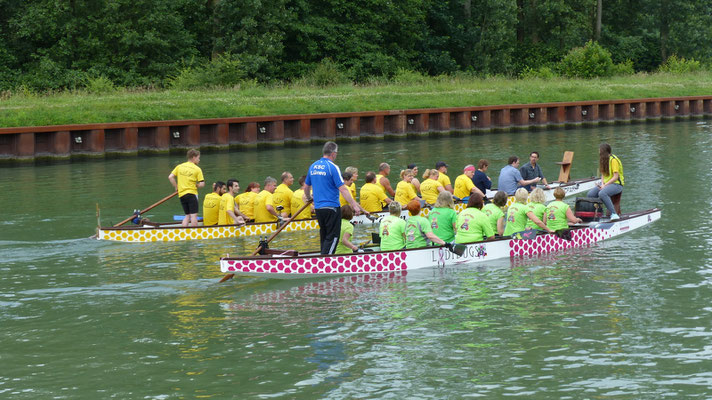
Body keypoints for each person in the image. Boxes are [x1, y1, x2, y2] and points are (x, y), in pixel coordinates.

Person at [304, 141, 366, 255]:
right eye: (336, 153)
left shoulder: (313, 166)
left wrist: (308, 198)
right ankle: (327, 261)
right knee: (333, 237)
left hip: (318, 208)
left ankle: (322, 257)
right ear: (333, 153)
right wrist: (354, 205)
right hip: (332, 207)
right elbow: (343, 189)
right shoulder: (333, 167)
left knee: (325, 235)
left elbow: (306, 187)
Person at [168, 148, 205, 227]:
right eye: (198, 158)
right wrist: (197, 185)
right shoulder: (197, 169)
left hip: (182, 195)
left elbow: (170, 177)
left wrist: (176, 187)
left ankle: (184, 231)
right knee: (193, 216)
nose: (199, 160)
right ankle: (194, 234)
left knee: (187, 216)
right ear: (194, 157)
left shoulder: (179, 166)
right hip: (192, 194)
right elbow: (202, 184)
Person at [587, 143, 624, 220]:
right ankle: (598, 213)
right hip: (607, 184)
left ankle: (614, 214)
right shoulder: (603, 160)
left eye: (600, 152)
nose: (599, 154)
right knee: (590, 194)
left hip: (617, 185)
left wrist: (605, 185)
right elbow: (603, 175)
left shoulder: (613, 160)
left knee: (602, 193)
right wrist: (602, 183)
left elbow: (616, 177)